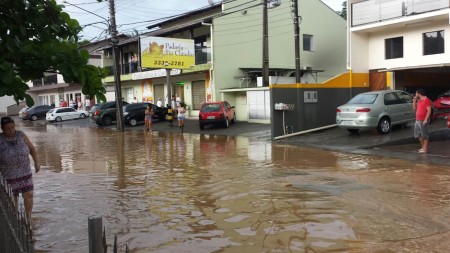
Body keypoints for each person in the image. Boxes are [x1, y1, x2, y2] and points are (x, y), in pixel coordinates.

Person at [0, 117, 40, 222]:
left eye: (13, 127)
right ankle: (15, 220)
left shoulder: (21, 135)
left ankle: (28, 218)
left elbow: (31, 148)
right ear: (2, 129)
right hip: (8, 176)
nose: (11, 130)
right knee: (13, 200)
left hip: (25, 172)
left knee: (29, 194)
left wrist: (36, 162)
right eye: (8, 128)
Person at [413, 88, 432, 154]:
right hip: (417, 120)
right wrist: (414, 101)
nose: (415, 94)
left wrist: (426, 119)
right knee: (417, 135)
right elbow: (414, 109)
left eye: (416, 93)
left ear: (419, 94)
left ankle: (425, 149)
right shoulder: (418, 100)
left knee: (425, 135)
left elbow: (429, 111)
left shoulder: (427, 100)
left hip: (423, 120)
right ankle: (423, 147)